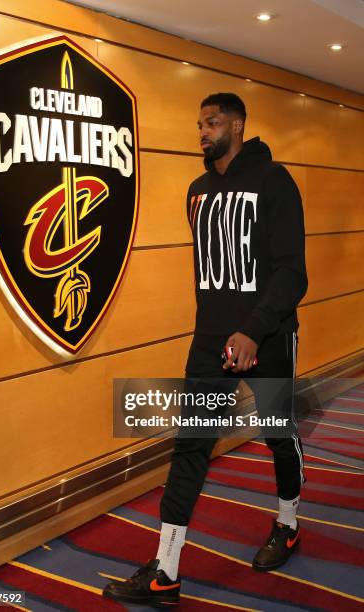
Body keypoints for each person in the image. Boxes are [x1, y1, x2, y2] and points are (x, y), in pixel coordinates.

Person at [103, 93, 308, 608]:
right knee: (190, 445)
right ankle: (165, 572)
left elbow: (291, 272)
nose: (202, 131)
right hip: (211, 343)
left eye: (212, 122)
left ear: (237, 125)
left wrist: (254, 329)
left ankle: (287, 523)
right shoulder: (196, 191)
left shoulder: (275, 181)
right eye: (199, 123)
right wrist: (220, 332)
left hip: (269, 339)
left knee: (278, 434)